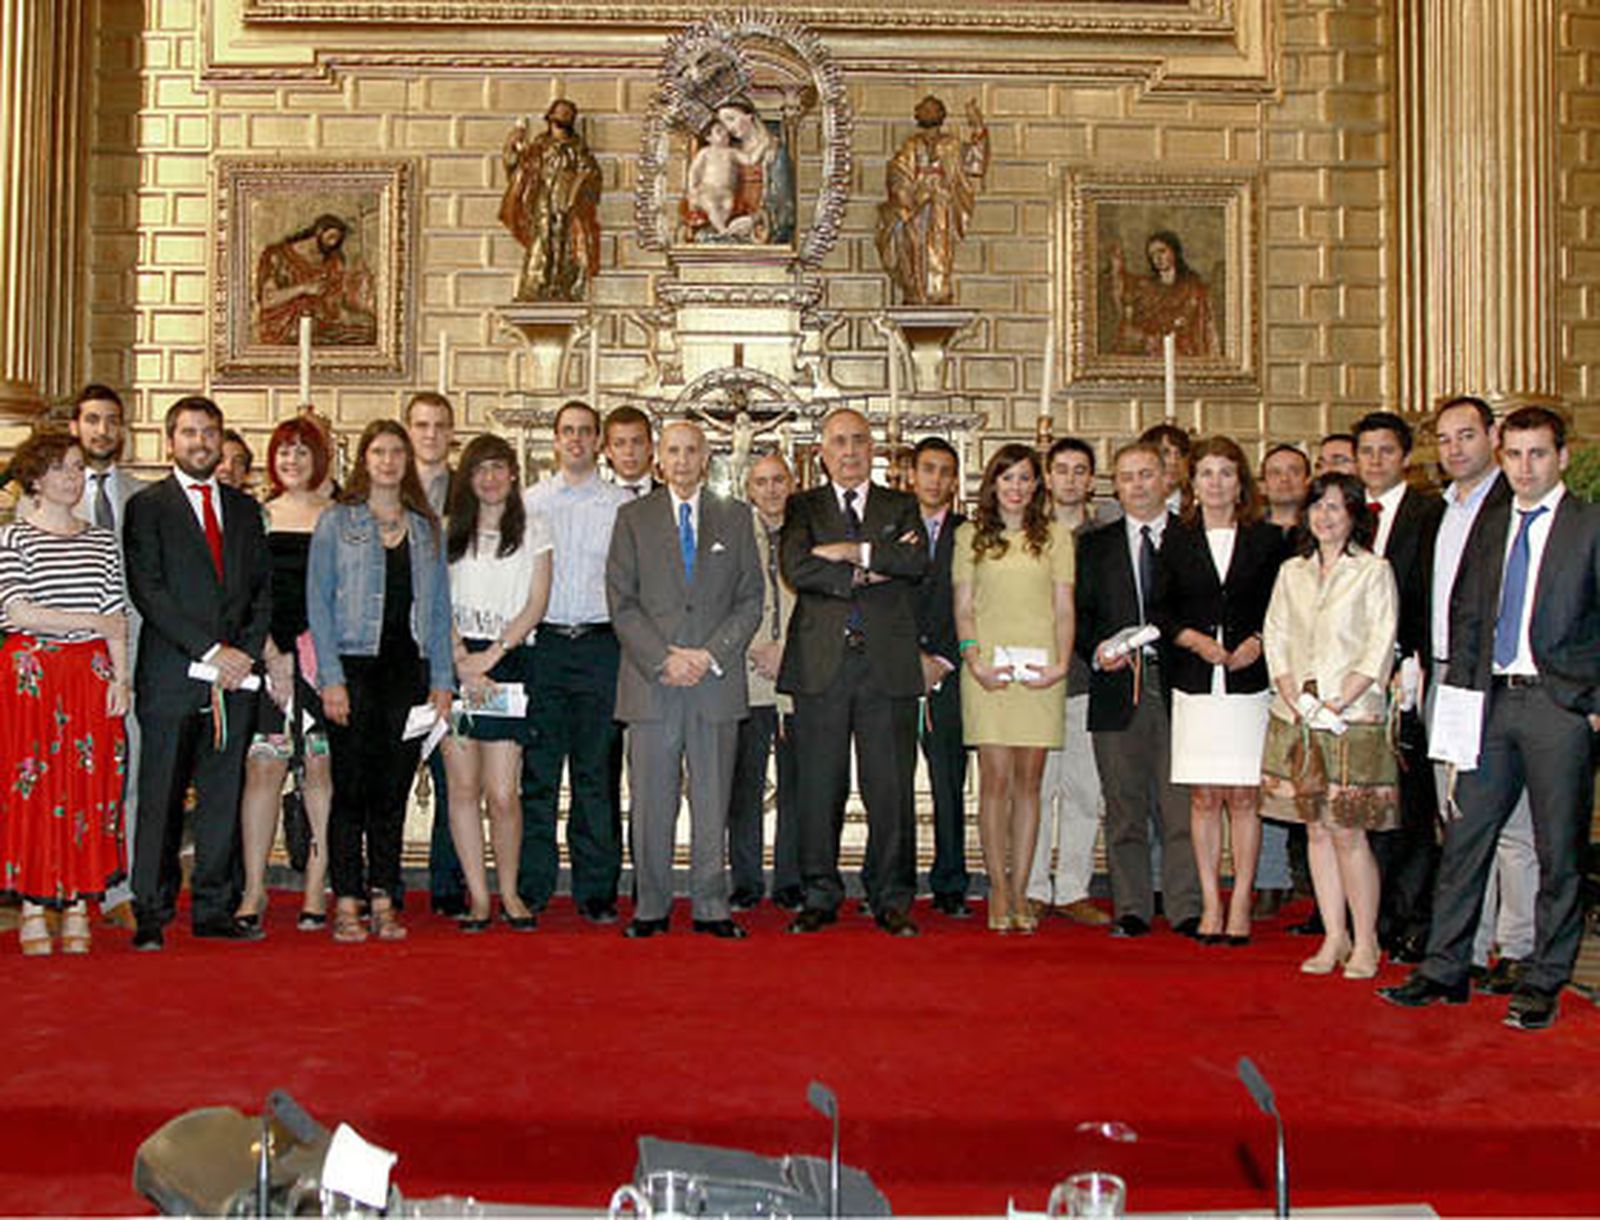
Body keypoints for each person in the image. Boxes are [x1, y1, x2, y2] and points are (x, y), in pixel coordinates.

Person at [1382, 406, 1600, 1031]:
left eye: (1538, 454)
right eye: (1515, 455)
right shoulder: (1493, 522)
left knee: (1558, 849)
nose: (1525, 467)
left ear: (1561, 457)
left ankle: (1542, 978)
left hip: (1559, 706)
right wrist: (1456, 708)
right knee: (1466, 836)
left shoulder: (1588, 525)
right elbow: (1470, 618)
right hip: (1489, 701)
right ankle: (1445, 967)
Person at [123, 396, 272, 950]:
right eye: (189, 433)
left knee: (221, 796)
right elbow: (149, 591)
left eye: (209, 433)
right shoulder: (148, 506)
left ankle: (213, 907)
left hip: (234, 680)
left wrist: (244, 654)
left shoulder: (241, 509)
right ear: (170, 441)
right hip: (171, 676)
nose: (201, 442)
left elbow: (262, 593)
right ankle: (151, 912)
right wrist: (211, 649)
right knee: (159, 797)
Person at [607, 421, 764, 938]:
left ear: (706, 458)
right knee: (651, 801)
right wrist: (663, 659)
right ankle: (650, 904)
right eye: (672, 451)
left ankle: (711, 906)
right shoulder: (632, 518)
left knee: (713, 798)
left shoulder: (736, 517)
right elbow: (622, 602)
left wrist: (709, 655)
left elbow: (750, 600)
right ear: (658, 458)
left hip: (714, 682)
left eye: (691, 451)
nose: (681, 460)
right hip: (653, 683)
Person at [779, 408, 929, 937]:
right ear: (822, 451)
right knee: (819, 786)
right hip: (823, 663)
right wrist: (871, 569)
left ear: (873, 450)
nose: (849, 451)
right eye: (838, 442)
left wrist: (848, 552)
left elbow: (915, 563)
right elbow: (797, 567)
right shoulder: (803, 506)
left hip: (886, 664)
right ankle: (819, 893)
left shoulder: (901, 504)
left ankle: (890, 896)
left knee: (890, 788)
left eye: (859, 441)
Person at [307, 420, 453, 943]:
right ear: (363, 460)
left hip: (405, 672)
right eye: (379, 452)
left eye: (397, 452)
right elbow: (317, 605)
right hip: (353, 666)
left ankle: (384, 896)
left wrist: (441, 680)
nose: (388, 461)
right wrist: (331, 678)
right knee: (351, 789)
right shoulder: (337, 522)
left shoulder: (424, 527)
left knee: (392, 790)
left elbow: (438, 611)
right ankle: (346, 897)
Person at [1260, 472, 1398, 980]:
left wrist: (1341, 698)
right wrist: (1295, 693)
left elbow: (1380, 642)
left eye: (1336, 507)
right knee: (1316, 829)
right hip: (1297, 714)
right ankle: (1333, 935)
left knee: (1347, 832)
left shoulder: (1373, 570)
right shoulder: (1291, 571)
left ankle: (1366, 940)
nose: (1324, 516)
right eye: (1317, 506)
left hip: (1350, 717)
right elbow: (1275, 633)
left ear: (1354, 514)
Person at [1153, 437, 1286, 946]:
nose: (1215, 483)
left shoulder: (1268, 539)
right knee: (1206, 798)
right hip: (1195, 682)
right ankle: (1211, 903)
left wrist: (1259, 642)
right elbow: (1161, 609)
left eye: (1225, 473)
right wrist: (1193, 640)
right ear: (1193, 483)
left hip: (1250, 683)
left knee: (1245, 797)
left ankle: (1242, 903)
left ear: (1241, 481)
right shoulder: (1177, 539)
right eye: (1205, 473)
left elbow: (1285, 607)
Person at [0, 432, 129, 955]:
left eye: (78, 468)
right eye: (62, 469)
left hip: (91, 674)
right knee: (35, 787)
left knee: (87, 787)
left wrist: (122, 679)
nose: (74, 478)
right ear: (35, 478)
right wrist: (88, 621)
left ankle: (77, 901)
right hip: (32, 673)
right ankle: (33, 904)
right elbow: (18, 613)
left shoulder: (101, 540)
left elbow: (116, 617)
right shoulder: (12, 539)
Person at [1425, 396, 1535, 992]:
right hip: (1446, 677)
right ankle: (1469, 940)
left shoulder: (1509, 504)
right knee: (1459, 817)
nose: (1455, 449)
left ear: (1492, 436)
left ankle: (1517, 946)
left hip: (1492, 682)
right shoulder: (1440, 508)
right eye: (1444, 439)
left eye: (1466, 435)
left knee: (1512, 824)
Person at [1074, 442, 1200, 938]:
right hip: (1115, 688)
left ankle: (1186, 905)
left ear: (1165, 479)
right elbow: (1078, 618)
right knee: (1123, 806)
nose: (1138, 485)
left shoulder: (1191, 541)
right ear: (1115, 486)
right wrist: (1099, 648)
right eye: (1127, 477)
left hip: (1178, 687)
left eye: (1147, 474)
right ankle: (1132, 906)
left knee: (1178, 807)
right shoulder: (1095, 545)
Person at [953, 444, 1074, 933]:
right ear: (993, 485)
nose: (1017, 488)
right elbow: (963, 608)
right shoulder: (970, 536)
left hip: (1041, 675)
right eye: (1008, 479)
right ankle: (997, 891)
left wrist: (1061, 664)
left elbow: (1064, 608)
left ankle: (1022, 889)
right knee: (994, 782)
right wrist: (973, 658)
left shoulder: (1058, 538)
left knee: (1030, 786)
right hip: (987, 672)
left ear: (1036, 485)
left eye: (1025, 478)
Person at [521, 401, 630, 922]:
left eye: (587, 432)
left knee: (595, 775)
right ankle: (533, 888)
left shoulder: (621, 505)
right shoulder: (529, 502)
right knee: (538, 775)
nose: (577, 440)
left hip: (599, 646)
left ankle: (596, 892)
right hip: (543, 647)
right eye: (568, 431)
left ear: (599, 441)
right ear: (555, 439)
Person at [442, 434, 552, 932]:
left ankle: (510, 891)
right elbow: (433, 599)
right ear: (467, 476)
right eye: (479, 469)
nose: (489, 478)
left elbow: (536, 602)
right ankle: (479, 897)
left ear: (513, 473)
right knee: (463, 786)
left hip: (507, 660)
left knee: (503, 791)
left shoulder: (535, 528)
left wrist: (491, 657)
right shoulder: (446, 529)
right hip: (456, 661)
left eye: (498, 467)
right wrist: (461, 658)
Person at [234, 419, 335, 932]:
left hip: (323, 660)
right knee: (264, 770)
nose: (292, 461)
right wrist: (272, 654)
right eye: (283, 453)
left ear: (320, 458)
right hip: (268, 659)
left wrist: (315, 658)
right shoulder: (257, 517)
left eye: (302, 452)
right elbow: (247, 593)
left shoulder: (339, 518)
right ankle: (254, 887)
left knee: (319, 772)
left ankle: (317, 884)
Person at [1353, 409, 1444, 964]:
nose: (1376, 461)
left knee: (1408, 802)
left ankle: (1412, 917)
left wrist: (1412, 663)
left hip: (1406, 673)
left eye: (1386, 451)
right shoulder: (1344, 514)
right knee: (1362, 800)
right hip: (1351, 680)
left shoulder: (1430, 514)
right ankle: (1372, 916)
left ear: (1405, 456)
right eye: (1366, 452)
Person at [67, 384, 148, 923]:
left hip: (135, 649)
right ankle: (63, 887)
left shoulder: (144, 495)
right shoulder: (47, 492)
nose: (102, 430)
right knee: (66, 773)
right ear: (76, 426)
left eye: (111, 421)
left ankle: (122, 888)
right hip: (65, 651)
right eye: (92, 420)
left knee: (131, 769)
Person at [1029, 437, 1113, 926]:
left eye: (1080, 470)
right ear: (1048, 477)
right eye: (1062, 469)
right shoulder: (1030, 535)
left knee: (1085, 790)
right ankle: (1035, 887)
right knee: (1036, 790)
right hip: (1035, 681)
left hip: (1087, 680)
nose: (1071, 479)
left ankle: (1074, 888)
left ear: (1091, 480)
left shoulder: (1105, 536)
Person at [727, 450, 800, 910]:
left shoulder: (808, 533)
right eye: (761, 482)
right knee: (744, 785)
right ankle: (747, 880)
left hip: (798, 676)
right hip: (749, 672)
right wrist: (755, 647)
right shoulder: (734, 535)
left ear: (791, 484)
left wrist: (789, 653)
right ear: (748, 489)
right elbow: (724, 598)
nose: (771, 489)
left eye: (778, 480)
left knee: (797, 784)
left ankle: (791, 879)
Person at [405, 391, 466, 917]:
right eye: (421, 425)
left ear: (452, 433)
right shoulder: (386, 493)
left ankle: (447, 882)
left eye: (440, 425)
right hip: (398, 649)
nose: (430, 434)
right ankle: (385, 876)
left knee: (453, 772)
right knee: (393, 770)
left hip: (452, 645)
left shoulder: (467, 494)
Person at [910, 437, 971, 918]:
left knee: (948, 779)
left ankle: (951, 880)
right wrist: (908, 657)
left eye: (945, 471)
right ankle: (890, 877)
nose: (936, 480)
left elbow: (977, 605)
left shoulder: (971, 534)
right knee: (887, 782)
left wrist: (943, 660)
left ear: (956, 480)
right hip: (894, 672)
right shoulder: (890, 529)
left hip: (951, 674)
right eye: (927, 469)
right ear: (912, 474)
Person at [1254, 442, 1311, 918]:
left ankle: (1313, 876)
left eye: (1294, 472)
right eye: (1275, 472)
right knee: (1271, 775)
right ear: (1262, 482)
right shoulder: (1252, 536)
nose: (1285, 480)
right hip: (1264, 668)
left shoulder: (1325, 533)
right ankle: (1271, 876)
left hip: (1320, 675)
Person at [875, 96, 990, 306]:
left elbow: (976, 161)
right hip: (915, 205)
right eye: (924, 110)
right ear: (918, 115)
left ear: (941, 115)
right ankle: (916, 292)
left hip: (941, 204)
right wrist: (907, 196)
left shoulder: (952, 145)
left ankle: (937, 293)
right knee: (913, 249)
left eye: (933, 110)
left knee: (939, 249)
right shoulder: (911, 145)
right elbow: (897, 174)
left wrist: (977, 126)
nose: (928, 113)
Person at [499, 99, 602, 302]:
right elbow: (518, 168)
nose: (563, 117)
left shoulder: (577, 149)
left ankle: (563, 287)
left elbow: (591, 175)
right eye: (560, 113)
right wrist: (512, 148)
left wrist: (576, 188)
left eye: (567, 114)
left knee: (565, 246)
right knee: (542, 242)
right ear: (550, 117)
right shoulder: (539, 146)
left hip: (567, 204)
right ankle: (535, 288)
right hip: (542, 201)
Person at [682, 97, 796, 245]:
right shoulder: (728, 152)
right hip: (727, 222)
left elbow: (784, 204)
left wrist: (754, 220)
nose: (728, 128)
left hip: (761, 231)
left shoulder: (772, 150)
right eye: (723, 124)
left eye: (731, 119)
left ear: (750, 116)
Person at [254, 213, 377, 346]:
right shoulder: (277, 255)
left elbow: (336, 300)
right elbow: (267, 300)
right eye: (331, 237)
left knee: (367, 331)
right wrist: (304, 288)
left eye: (337, 239)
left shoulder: (333, 259)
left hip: (321, 322)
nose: (333, 242)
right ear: (318, 231)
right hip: (284, 324)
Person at [1109, 230, 1219, 357]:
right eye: (1152, 254)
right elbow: (1126, 298)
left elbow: (1200, 325)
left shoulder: (1192, 287)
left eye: (1162, 251)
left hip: (1184, 353)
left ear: (1174, 251)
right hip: (1153, 354)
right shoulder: (1146, 288)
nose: (1157, 258)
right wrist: (1117, 268)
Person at [686, 119, 742, 235]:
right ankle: (723, 231)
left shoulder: (731, 152)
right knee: (712, 206)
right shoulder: (706, 153)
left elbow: (747, 159)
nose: (724, 134)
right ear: (709, 138)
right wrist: (692, 189)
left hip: (726, 191)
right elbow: (694, 171)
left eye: (727, 132)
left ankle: (718, 228)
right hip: (708, 189)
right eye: (719, 131)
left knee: (728, 206)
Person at [604, 405, 657, 498]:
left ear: (651, 447)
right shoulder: (593, 502)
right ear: (607, 451)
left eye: (637, 442)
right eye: (619, 444)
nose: (629, 451)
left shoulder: (673, 499)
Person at [1140, 422, 1190, 515]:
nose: (1173, 461)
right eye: (1165, 453)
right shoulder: (1121, 511)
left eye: (1180, 454)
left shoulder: (1201, 511)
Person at [1261, 443, 1310, 534]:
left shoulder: (1321, 530)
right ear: (1263, 484)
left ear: (1307, 481)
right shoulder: (1244, 532)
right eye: (1275, 473)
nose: (1284, 478)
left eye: (1294, 472)